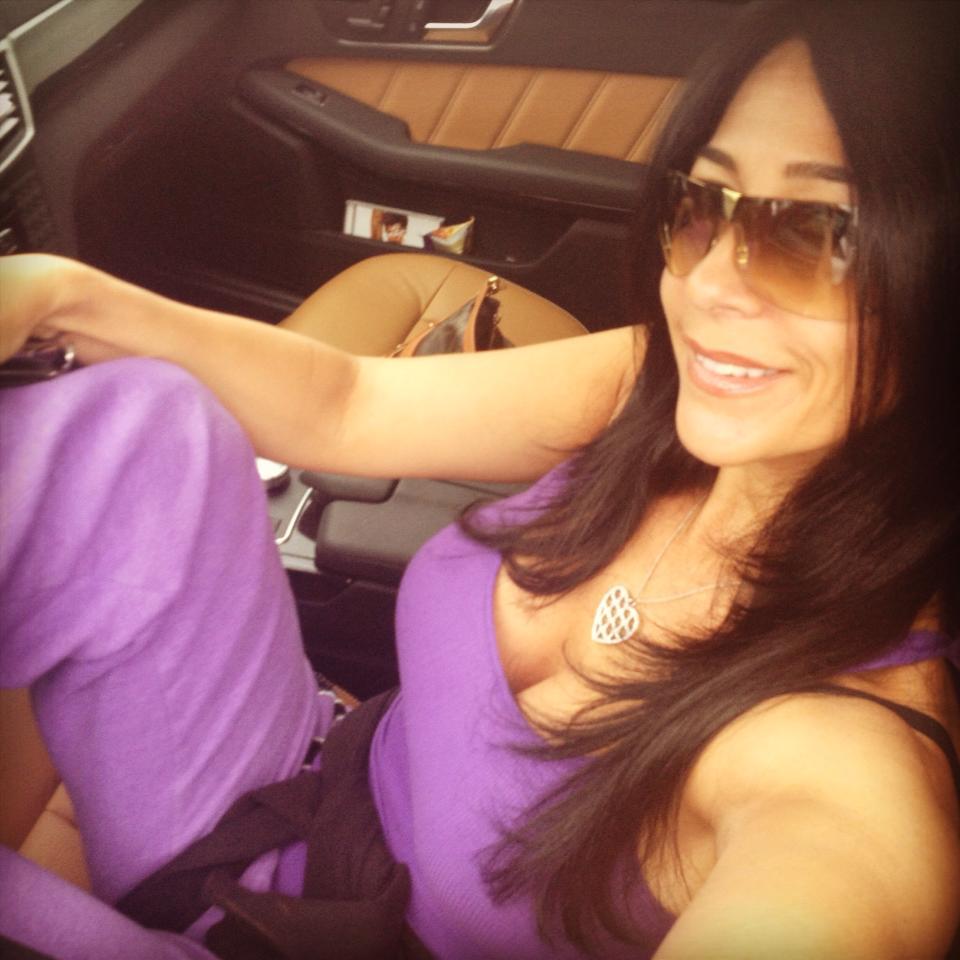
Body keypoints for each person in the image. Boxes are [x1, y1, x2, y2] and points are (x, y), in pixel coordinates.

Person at [1, 1, 959, 957]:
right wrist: (60, 293)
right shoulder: (654, 385)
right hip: (304, 789)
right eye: (703, 205)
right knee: (131, 432)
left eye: (818, 235)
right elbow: (348, 403)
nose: (708, 283)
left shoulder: (846, 777)